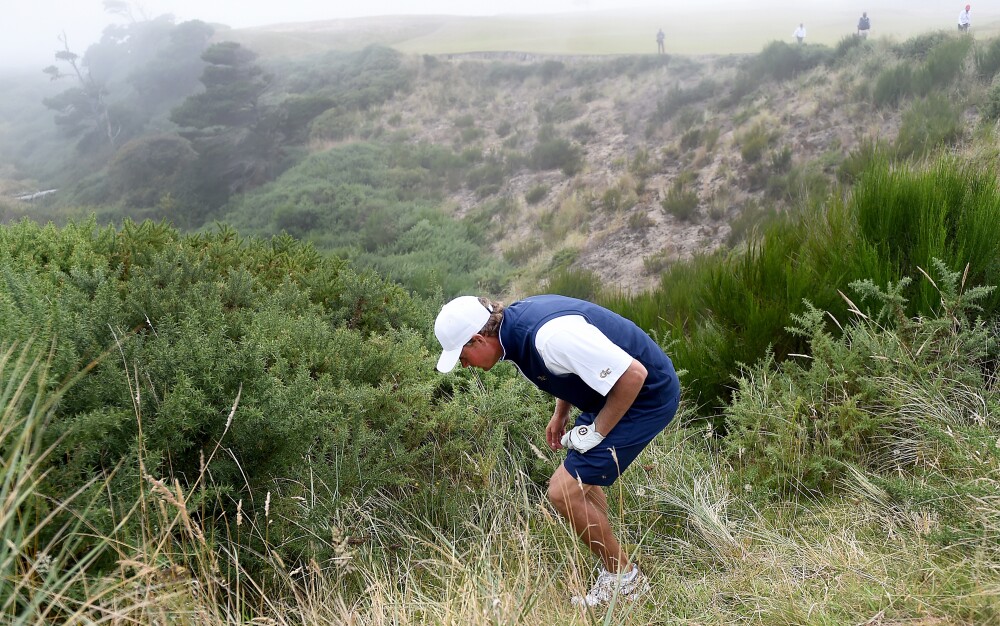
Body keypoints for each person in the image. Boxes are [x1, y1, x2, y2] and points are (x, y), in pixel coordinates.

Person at [434, 294, 681, 607]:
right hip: (611, 393)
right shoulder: (514, 330)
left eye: (462, 357)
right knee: (577, 477)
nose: (465, 365)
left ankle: (626, 580)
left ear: (478, 339)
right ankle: (613, 566)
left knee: (563, 491)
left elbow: (633, 375)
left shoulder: (549, 338)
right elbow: (570, 368)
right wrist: (561, 411)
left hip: (644, 395)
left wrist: (597, 431)